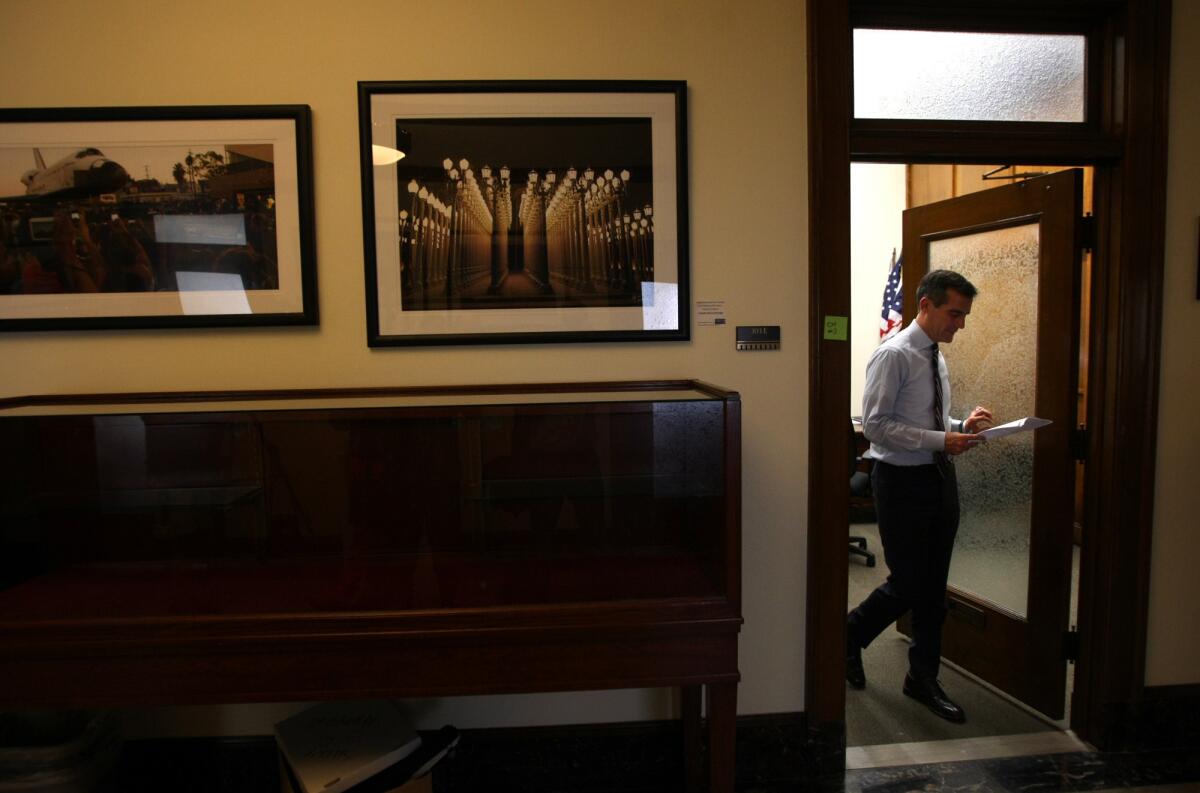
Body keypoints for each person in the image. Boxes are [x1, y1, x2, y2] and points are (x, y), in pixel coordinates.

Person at [846, 268, 993, 723]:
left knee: (933, 589)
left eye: (964, 315)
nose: (960, 325)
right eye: (954, 313)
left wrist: (958, 428)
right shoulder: (894, 355)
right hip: (901, 482)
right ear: (925, 305)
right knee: (909, 582)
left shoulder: (935, 354)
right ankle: (848, 634)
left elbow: (928, 419)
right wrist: (939, 441)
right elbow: (876, 426)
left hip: (938, 481)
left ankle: (922, 677)